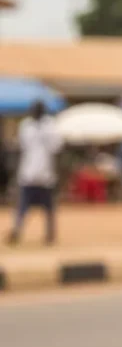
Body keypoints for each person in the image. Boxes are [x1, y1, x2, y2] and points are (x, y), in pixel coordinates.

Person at [8, 100, 62, 245]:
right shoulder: (26, 125)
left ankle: (50, 235)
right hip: (28, 173)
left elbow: (56, 148)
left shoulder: (50, 126)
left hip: (46, 175)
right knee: (23, 207)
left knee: (49, 208)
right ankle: (16, 231)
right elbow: (22, 147)